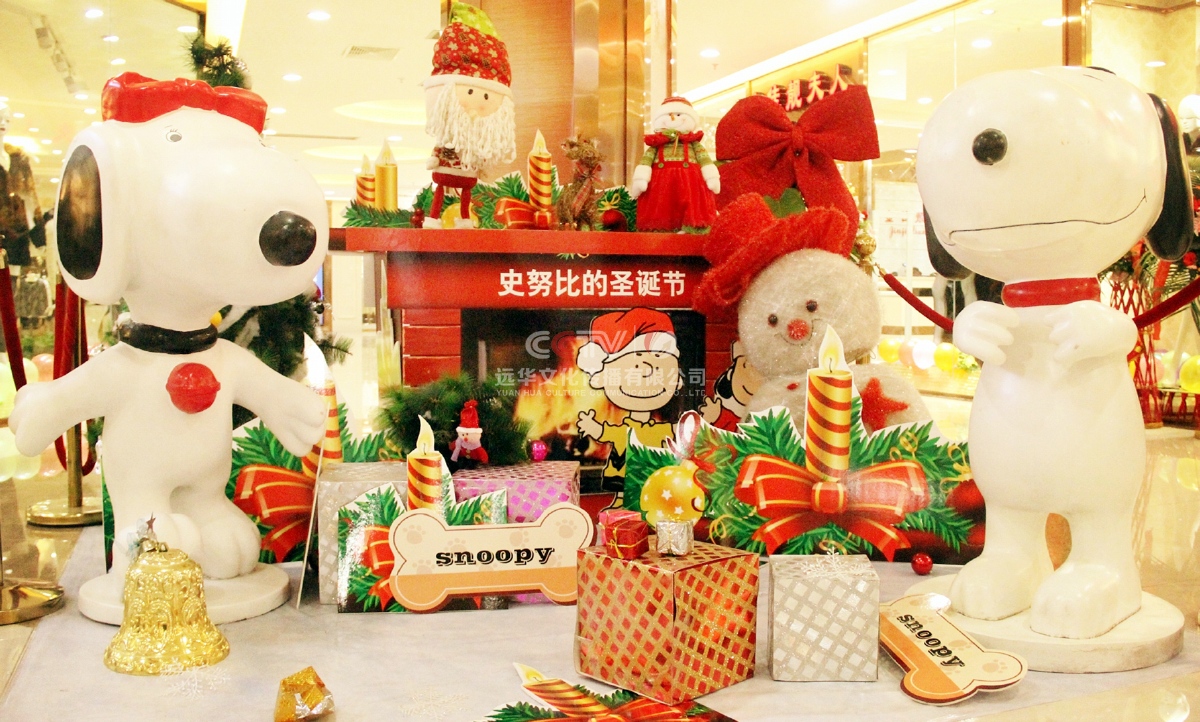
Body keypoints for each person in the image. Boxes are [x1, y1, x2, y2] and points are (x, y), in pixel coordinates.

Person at [422, 3, 516, 229]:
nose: (478, 104)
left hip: (466, 176)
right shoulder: (448, 142)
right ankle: (434, 217)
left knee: (465, 196)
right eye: (470, 92)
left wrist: (482, 168)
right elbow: (437, 152)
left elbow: (480, 160)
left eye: (486, 96)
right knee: (440, 192)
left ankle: (464, 218)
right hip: (447, 172)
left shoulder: (474, 149)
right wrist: (434, 160)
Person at [576, 308, 681, 491]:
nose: (647, 370)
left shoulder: (662, 430)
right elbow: (604, 432)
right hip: (622, 477)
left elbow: (678, 433)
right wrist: (591, 426)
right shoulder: (623, 432)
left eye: (658, 357)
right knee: (623, 493)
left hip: (655, 481)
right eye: (637, 358)